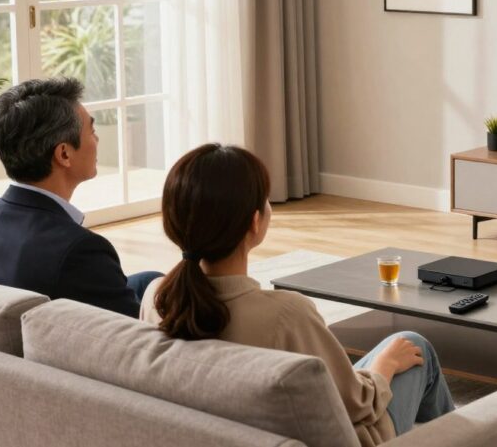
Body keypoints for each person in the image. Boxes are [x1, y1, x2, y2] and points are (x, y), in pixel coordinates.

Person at [141, 144, 454, 446]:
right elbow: (356, 404)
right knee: (414, 347)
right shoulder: (286, 315)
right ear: (254, 221)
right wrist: (384, 366)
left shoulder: (157, 298)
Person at [0, 78, 161, 318]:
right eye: (92, 132)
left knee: (151, 281)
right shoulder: (80, 250)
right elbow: (135, 337)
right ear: (64, 153)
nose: (97, 140)